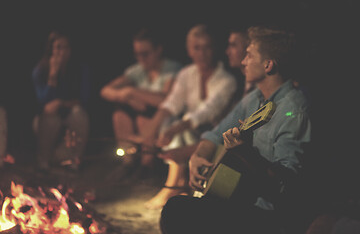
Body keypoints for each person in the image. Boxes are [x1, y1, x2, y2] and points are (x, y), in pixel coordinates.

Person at [160, 25, 312, 234]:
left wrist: (246, 154)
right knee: (178, 207)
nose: (242, 62)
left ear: (268, 65)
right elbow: (215, 134)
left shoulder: (294, 110)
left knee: (177, 211)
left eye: (249, 56)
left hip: (268, 215)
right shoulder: (255, 99)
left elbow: (285, 185)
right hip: (242, 199)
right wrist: (198, 156)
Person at [144, 27, 250, 209]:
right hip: (195, 132)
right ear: (189, 50)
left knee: (179, 124)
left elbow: (207, 112)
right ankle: (177, 183)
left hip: (216, 136)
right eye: (197, 48)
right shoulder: (187, 74)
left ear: (214, 49)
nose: (202, 53)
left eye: (207, 47)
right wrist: (149, 137)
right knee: (171, 121)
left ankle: (174, 186)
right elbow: (171, 104)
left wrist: (173, 130)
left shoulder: (227, 80)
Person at [100, 27, 182, 176]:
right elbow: (105, 90)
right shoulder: (137, 71)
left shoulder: (171, 69)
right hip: (141, 112)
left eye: (145, 54)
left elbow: (165, 100)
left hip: (164, 117)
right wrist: (125, 97)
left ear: (158, 50)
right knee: (120, 115)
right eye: (137, 54)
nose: (141, 59)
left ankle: (147, 166)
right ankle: (128, 162)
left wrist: (132, 92)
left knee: (143, 118)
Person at [32, 30, 91, 172]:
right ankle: (43, 162)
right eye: (58, 47)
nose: (62, 52)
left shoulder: (79, 69)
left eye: (65, 47)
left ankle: (74, 161)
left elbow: (84, 98)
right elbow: (42, 103)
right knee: (49, 118)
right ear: (51, 49)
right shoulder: (41, 70)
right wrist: (52, 75)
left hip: (69, 114)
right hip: (45, 120)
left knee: (79, 114)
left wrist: (61, 103)